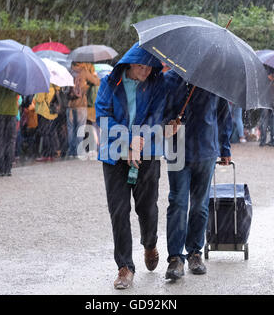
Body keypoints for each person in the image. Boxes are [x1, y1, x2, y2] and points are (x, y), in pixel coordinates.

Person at [95, 43, 166, 290]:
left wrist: (138, 143)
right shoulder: (108, 83)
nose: (146, 71)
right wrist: (126, 139)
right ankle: (124, 267)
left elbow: (156, 116)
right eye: (140, 66)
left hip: (147, 151)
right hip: (114, 154)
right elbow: (103, 116)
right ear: (128, 65)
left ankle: (150, 243)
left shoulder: (157, 83)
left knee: (147, 207)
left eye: (149, 67)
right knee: (118, 210)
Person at [163, 70, 233, 280]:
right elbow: (159, 110)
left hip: (206, 149)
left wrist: (225, 148)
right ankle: (175, 258)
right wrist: (167, 122)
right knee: (177, 202)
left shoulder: (214, 80)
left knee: (200, 205)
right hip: (177, 149)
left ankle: (195, 252)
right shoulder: (170, 80)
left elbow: (223, 115)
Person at [67, 62, 100, 157]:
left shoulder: (70, 71)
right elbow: (96, 82)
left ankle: (71, 152)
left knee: (71, 129)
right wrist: (94, 76)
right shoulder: (83, 71)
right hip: (81, 104)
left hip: (69, 105)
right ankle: (79, 151)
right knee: (79, 128)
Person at [34, 85, 58, 161]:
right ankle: (52, 153)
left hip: (44, 112)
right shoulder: (55, 86)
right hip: (52, 112)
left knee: (45, 133)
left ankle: (46, 154)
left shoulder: (43, 86)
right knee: (51, 133)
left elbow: (39, 99)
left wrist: (35, 95)